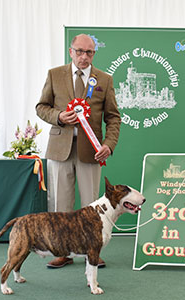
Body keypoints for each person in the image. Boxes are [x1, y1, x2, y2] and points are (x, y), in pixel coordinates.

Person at [36, 34, 121, 269]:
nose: (84, 56)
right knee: (60, 204)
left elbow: (113, 117)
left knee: (93, 206)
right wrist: (59, 117)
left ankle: (93, 251)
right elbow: (41, 107)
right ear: (70, 51)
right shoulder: (54, 74)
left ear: (94, 54)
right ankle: (62, 252)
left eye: (89, 52)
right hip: (59, 149)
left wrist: (108, 145)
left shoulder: (104, 79)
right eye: (80, 51)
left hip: (91, 152)